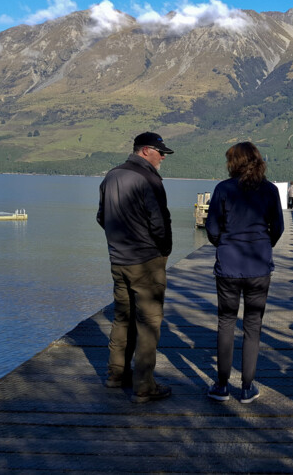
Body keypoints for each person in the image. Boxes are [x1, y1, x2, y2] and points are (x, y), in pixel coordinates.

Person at [96, 131, 174, 403]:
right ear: (144, 151)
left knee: (122, 318)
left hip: (118, 260)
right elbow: (159, 223)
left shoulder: (111, 176)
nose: (163, 156)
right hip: (146, 262)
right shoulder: (149, 179)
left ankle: (115, 375)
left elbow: (101, 217)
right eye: (159, 151)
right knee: (149, 323)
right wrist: (164, 250)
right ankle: (144, 385)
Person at [205, 142, 284, 403]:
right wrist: (263, 245)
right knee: (253, 325)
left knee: (225, 323)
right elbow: (279, 228)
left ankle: (221, 385)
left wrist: (225, 245)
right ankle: (247, 387)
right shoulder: (270, 190)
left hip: (228, 266)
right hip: (259, 267)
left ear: (233, 162)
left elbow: (213, 229)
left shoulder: (223, 189)